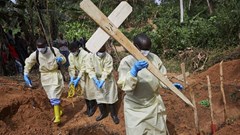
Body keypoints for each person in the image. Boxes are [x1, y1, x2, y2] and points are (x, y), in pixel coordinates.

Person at [117, 33, 182, 134]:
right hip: (135, 108)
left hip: (153, 105)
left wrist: (169, 86)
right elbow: (124, 86)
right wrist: (133, 72)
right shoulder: (126, 62)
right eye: (143, 49)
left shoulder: (154, 58)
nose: (145, 53)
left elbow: (161, 77)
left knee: (157, 132)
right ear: (135, 46)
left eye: (148, 49)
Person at [23, 37, 66, 124]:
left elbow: (63, 59)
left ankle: (57, 117)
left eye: (42, 47)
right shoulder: (36, 54)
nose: (41, 49)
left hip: (55, 74)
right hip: (45, 76)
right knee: (51, 96)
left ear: (46, 45)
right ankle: (59, 110)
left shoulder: (54, 50)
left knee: (54, 93)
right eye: (39, 47)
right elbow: (28, 63)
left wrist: (61, 59)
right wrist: (25, 74)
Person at [86, 45, 119, 124]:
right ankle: (103, 113)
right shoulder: (90, 56)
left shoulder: (108, 57)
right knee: (99, 97)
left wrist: (102, 80)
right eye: (100, 52)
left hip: (108, 80)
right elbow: (89, 69)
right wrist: (95, 79)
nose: (102, 54)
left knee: (111, 97)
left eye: (103, 52)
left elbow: (107, 70)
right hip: (96, 79)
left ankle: (114, 115)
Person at [68, 41, 97, 117]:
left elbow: (84, 67)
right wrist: (72, 77)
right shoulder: (70, 55)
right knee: (84, 92)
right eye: (71, 51)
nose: (73, 53)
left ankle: (93, 107)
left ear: (78, 48)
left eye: (74, 51)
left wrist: (78, 78)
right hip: (81, 76)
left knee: (90, 91)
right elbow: (72, 67)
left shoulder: (85, 54)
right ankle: (88, 107)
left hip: (88, 74)